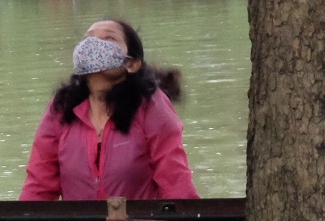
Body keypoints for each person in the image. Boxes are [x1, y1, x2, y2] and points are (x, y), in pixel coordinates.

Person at [20, 19, 197, 201]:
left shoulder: (151, 106)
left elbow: (175, 180)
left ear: (132, 64)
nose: (93, 44)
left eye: (109, 38)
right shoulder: (61, 108)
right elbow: (39, 186)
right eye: (87, 39)